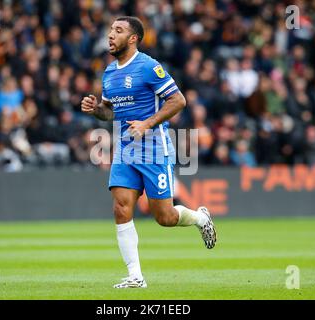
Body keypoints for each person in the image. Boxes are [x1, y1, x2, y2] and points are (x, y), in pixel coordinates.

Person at [81, 16, 217, 289]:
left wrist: (147, 122)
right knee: (121, 209)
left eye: (118, 31)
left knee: (164, 218)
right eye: (110, 30)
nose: (110, 35)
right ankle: (135, 277)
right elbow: (110, 112)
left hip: (154, 149)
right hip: (125, 150)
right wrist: (97, 109)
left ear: (133, 38)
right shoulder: (109, 72)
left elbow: (178, 100)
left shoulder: (148, 67)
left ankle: (201, 218)